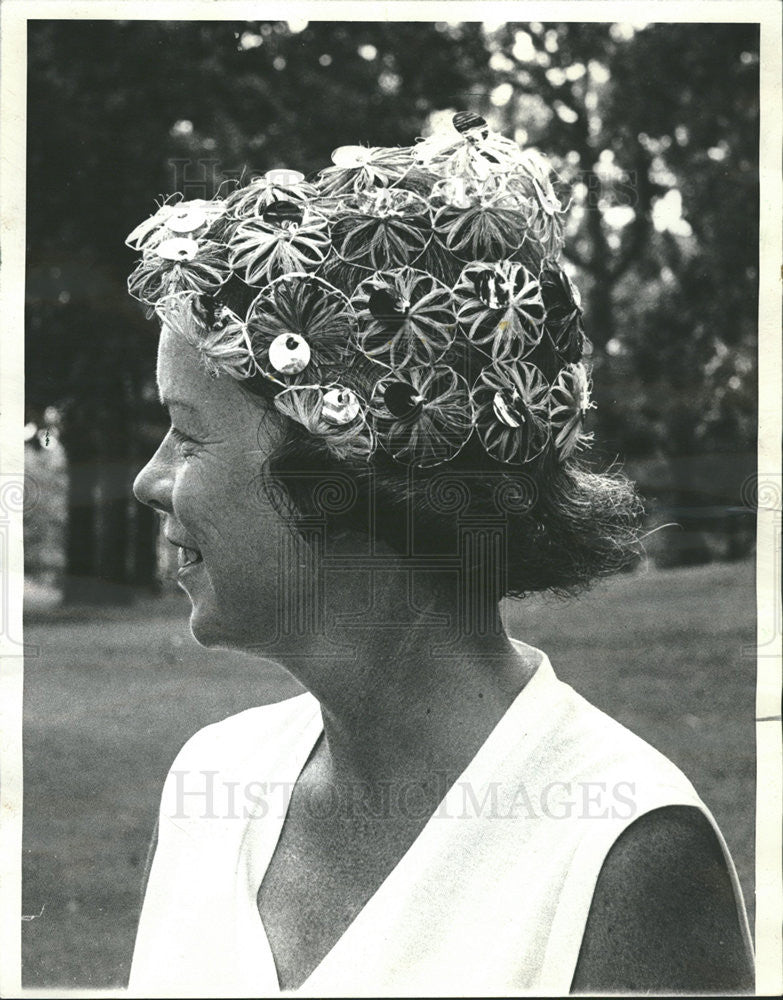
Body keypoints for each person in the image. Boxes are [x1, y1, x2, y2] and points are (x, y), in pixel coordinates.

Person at [127, 112, 754, 996]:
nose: (148, 481)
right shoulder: (211, 781)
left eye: (188, 436)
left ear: (347, 474)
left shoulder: (620, 848)